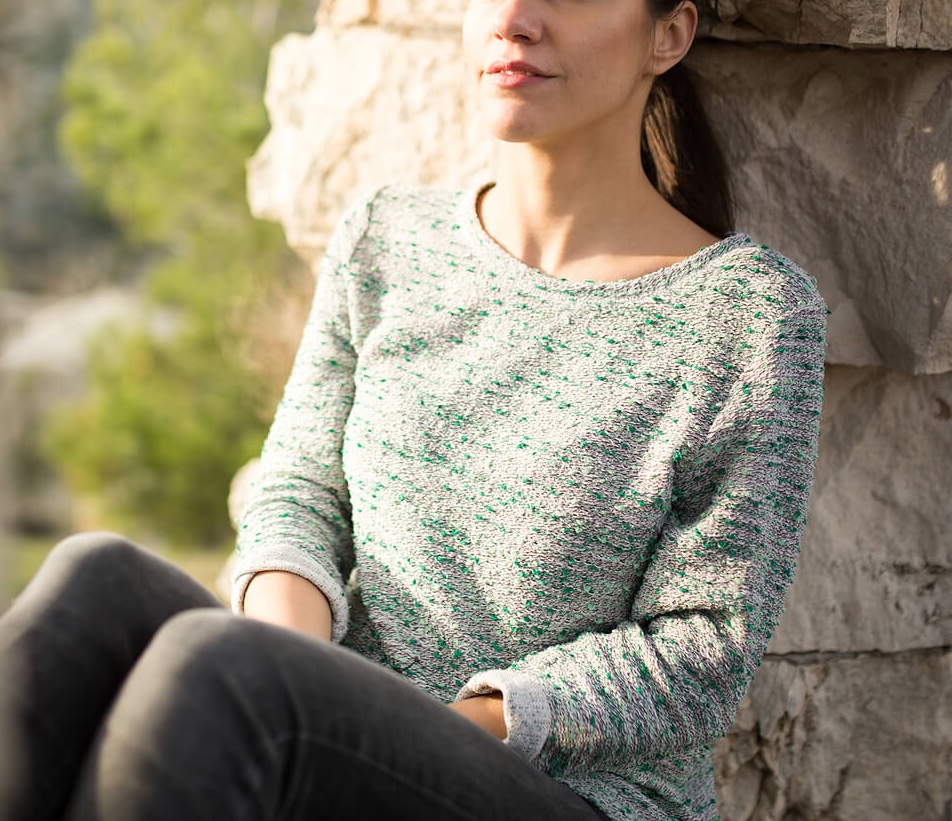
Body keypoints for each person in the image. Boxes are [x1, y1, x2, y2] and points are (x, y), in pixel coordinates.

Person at [0, 0, 827, 819]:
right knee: (93, 582)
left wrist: (394, 723)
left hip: (569, 789)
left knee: (222, 670)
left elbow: (701, 649)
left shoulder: (749, 315)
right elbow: (299, 493)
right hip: (336, 717)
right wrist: (296, 676)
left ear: (669, 34)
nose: (513, 17)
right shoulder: (388, 238)